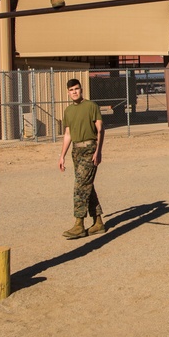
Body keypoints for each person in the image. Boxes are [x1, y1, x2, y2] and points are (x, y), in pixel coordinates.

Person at [58, 78, 106, 239]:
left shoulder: (91, 106)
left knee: (80, 186)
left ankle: (79, 224)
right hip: (76, 151)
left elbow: (100, 130)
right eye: (71, 90)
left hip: (89, 149)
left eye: (77, 89)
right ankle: (98, 222)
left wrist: (98, 151)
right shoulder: (68, 111)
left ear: (81, 89)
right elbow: (68, 134)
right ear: (68, 92)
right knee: (87, 185)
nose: (74, 92)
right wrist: (62, 156)